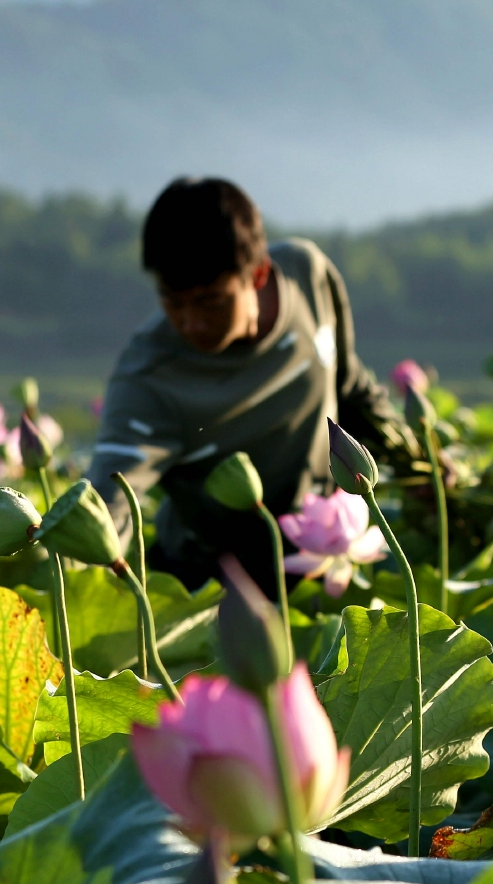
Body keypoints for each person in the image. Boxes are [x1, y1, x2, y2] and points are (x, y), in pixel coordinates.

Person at [88, 177, 411, 590]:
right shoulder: (148, 379)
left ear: (258, 274)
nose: (191, 322)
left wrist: (421, 462)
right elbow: (105, 507)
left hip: (322, 552)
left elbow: (351, 388)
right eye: (172, 301)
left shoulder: (307, 276)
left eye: (210, 302)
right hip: (211, 587)